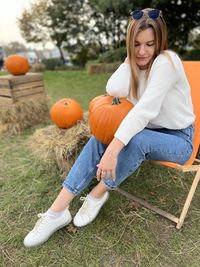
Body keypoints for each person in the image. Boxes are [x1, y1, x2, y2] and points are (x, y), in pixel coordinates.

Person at [24, 8, 195, 248]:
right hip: (147, 130)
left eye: (149, 44)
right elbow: (114, 89)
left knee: (134, 140)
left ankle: (97, 194)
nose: (143, 51)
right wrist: (129, 61)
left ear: (160, 42)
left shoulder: (167, 62)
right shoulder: (135, 63)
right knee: (101, 135)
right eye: (136, 44)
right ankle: (57, 211)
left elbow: (144, 111)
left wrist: (113, 151)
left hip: (178, 140)